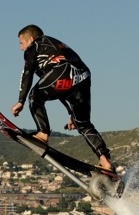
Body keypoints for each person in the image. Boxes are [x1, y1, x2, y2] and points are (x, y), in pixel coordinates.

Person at [10, 24, 114, 172]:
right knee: (83, 123)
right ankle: (105, 161)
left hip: (63, 70)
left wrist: (20, 101)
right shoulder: (57, 45)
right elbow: (63, 87)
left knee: (35, 95)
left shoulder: (35, 45)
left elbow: (27, 72)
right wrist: (72, 114)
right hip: (83, 75)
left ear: (31, 39)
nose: (21, 48)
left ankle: (42, 134)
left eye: (21, 43)